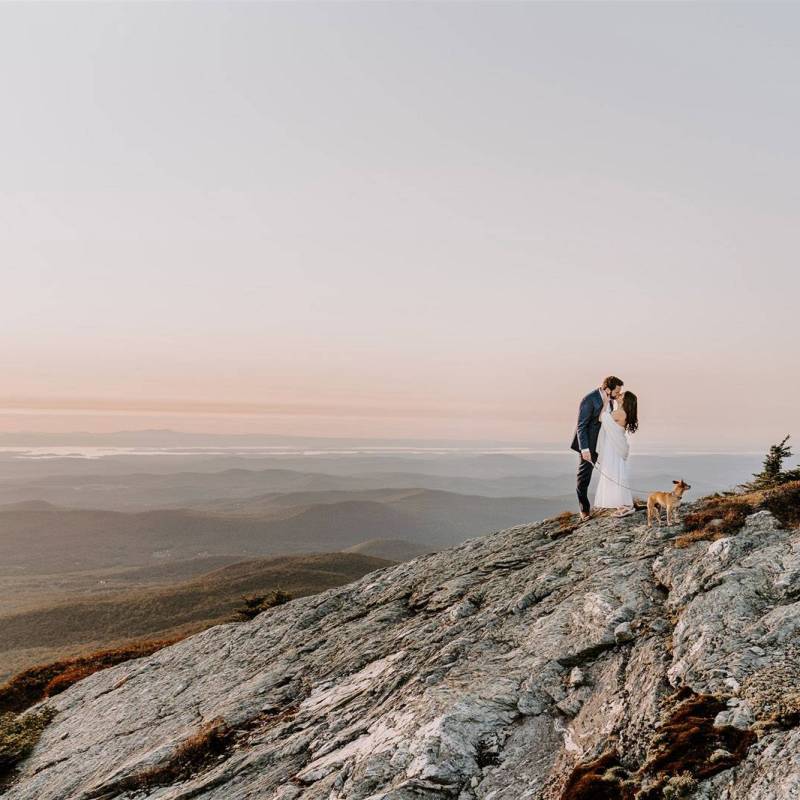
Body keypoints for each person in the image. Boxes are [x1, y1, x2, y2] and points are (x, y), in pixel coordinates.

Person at [570, 376, 624, 521]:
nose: (618, 394)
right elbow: (581, 426)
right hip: (590, 446)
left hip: (604, 445)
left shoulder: (611, 402)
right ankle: (584, 510)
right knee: (584, 478)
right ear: (607, 389)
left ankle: (615, 503)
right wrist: (585, 449)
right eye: (617, 391)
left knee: (611, 472)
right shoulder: (589, 399)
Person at [594, 389, 638, 517]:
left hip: (613, 448)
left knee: (615, 473)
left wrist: (606, 401)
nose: (618, 395)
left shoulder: (620, 413)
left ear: (625, 401)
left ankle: (627, 505)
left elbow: (601, 417)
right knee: (616, 473)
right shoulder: (621, 412)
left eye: (621, 395)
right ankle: (622, 504)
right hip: (614, 446)